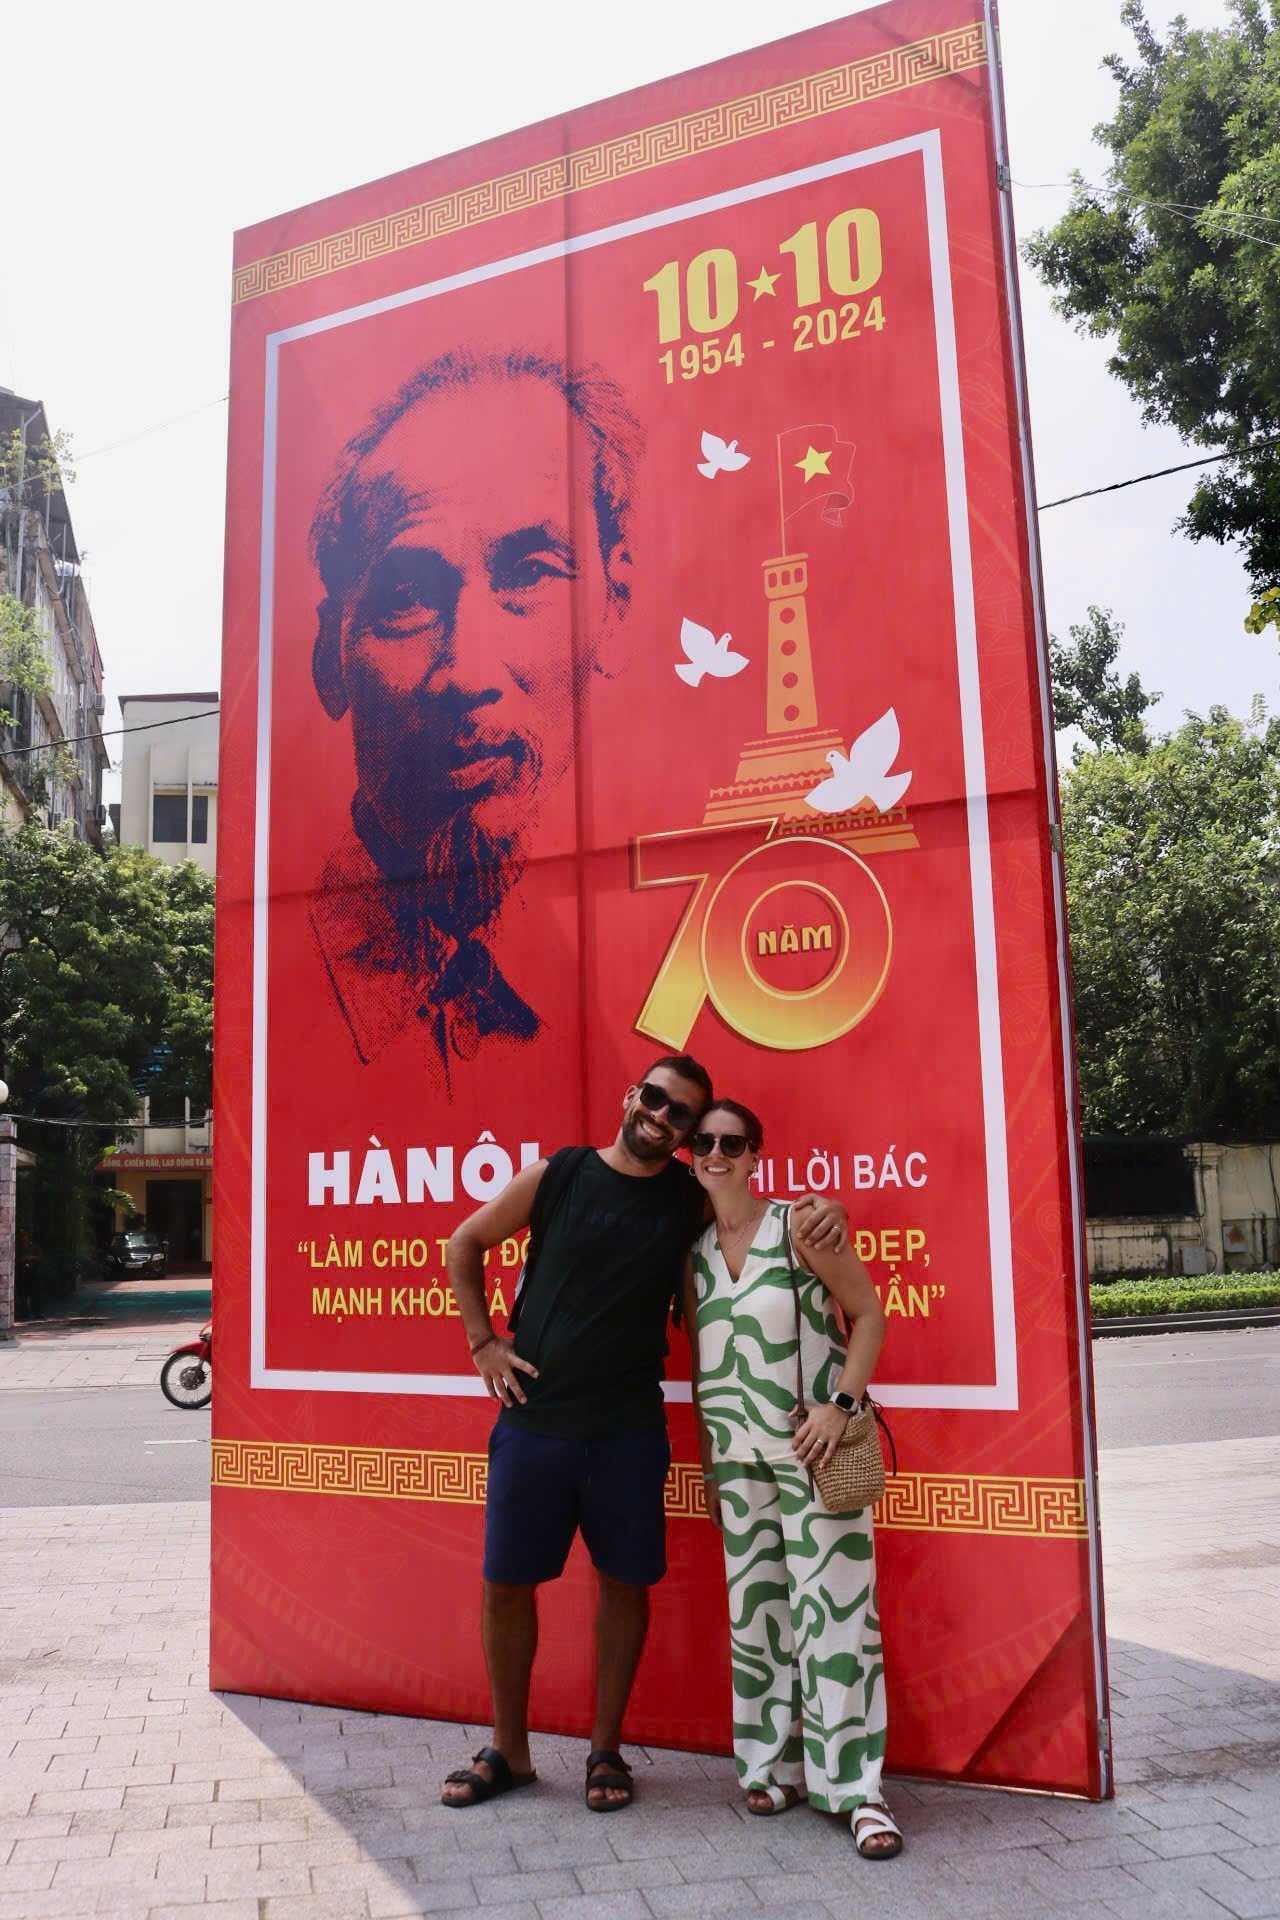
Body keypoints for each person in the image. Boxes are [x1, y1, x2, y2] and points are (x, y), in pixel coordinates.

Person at [439, 1054, 848, 1813]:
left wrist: (827, 1213)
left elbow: (758, 1216)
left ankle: (606, 1751)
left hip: (628, 1427)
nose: (663, 1116)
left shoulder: (688, 1199)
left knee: (625, 1585)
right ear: (632, 1096)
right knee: (506, 1586)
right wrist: (482, 1343)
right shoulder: (557, 1175)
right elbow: (463, 1243)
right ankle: (510, 1751)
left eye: (682, 1114)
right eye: (655, 1099)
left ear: (692, 1133)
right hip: (535, 1420)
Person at [306, 346, 641, 1083]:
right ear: (331, 657)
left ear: (614, 612)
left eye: (532, 575)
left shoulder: (658, 962)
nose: (467, 673)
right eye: (405, 598)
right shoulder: (285, 996)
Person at [683, 1097, 902, 1860]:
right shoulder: (697, 1251)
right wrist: (711, 1466)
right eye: (702, 1142)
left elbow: (868, 1314)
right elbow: (701, 1363)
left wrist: (840, 1408)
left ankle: (857, 1791)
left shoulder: (798, 1228)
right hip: (738, 1464)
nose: (716, 1153)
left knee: (837, 1621)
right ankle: (771, 1766)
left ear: (755, 1153)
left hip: (814, 1459)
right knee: (759, 1619)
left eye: (731, 1143)